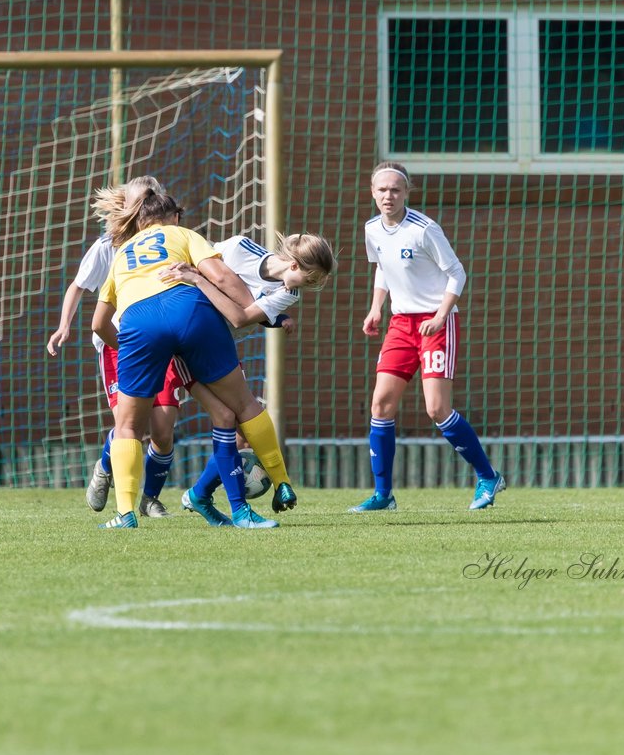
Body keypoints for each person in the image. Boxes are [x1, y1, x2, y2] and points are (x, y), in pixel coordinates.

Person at [90, 189, 297, 529]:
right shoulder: (183, 234)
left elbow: (98, 324)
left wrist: (131, 351)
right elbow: (221, 276)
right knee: (242, 405)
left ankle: (125, 513)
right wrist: (247, 310)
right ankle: (281, 481)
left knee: (128, 426)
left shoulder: (121, 253)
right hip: (190, 313)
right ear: (172, 218)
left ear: (139, 223)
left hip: (139, 326)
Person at [352, 161, 504, 514]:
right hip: (401, 324)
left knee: (436, 408)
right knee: (381, 405)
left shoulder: (424, 229)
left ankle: (487, 476)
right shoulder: (372, 229)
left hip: (437, 323)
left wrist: (439, 315)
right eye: (382, 190)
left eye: (395, 190)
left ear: (407, 193)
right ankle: (383, 495)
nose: (388, 196)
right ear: (373, 193)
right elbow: (382, 270)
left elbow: (457, 272)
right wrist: (376, 308)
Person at [165, 232, 338, 526]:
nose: (309, 288)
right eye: (310, 279)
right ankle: (225, 502)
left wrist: (274, 318)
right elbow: (204, 271)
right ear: (294, 265)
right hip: (187, 336)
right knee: (229, 414)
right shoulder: (238, 248)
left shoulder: (289, 294)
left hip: (217, 345)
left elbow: (245, 315)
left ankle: (200, 494)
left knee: (241, 431)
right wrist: (195, 278)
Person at [46, 176, 182, 518]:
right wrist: (64, 326)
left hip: (161, 342)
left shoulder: (169, 241)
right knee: (131, 427)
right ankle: (106, 467)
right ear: (128, 205)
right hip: (118, 343)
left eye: (153, 198)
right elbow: (78, 287)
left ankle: (150, 498)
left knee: (163, 432)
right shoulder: (109, 245)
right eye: (142, 199)